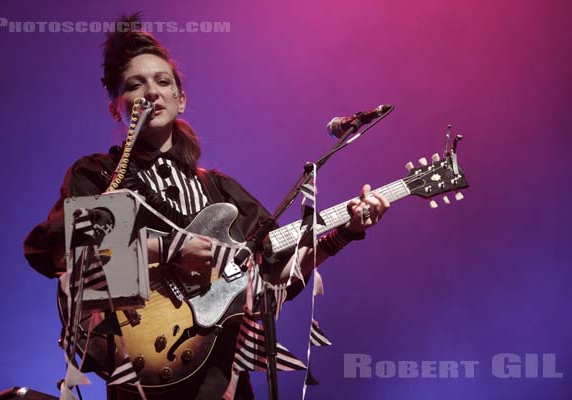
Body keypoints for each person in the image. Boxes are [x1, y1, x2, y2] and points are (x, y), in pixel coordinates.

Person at [23, 14, 389, 400]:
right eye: (135, 85)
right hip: (143, 366)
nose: (151, 92)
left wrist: (345, 232)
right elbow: (68, 253)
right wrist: (170, 250)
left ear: (181, 100)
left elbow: (274, 276)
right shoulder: (97, 173)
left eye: (163, 82)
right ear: (117, 107)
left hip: (223, 379)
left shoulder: (218, 188)